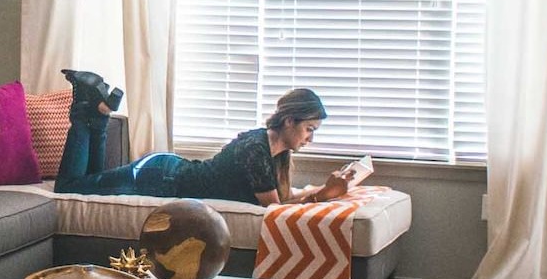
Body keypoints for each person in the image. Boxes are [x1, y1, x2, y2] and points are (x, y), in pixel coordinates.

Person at [54, 73, 351, 206]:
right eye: (309, 128)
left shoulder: (271, 149)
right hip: (158, 178)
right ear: (289, 121)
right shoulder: (257, 150)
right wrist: (323, 194)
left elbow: (282, 199)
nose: (310, 138)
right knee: (69, 188)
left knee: (88, 184)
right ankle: (82, 110)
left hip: (166, 172)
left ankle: (99, 113)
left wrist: (325, 190)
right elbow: (274, 209)